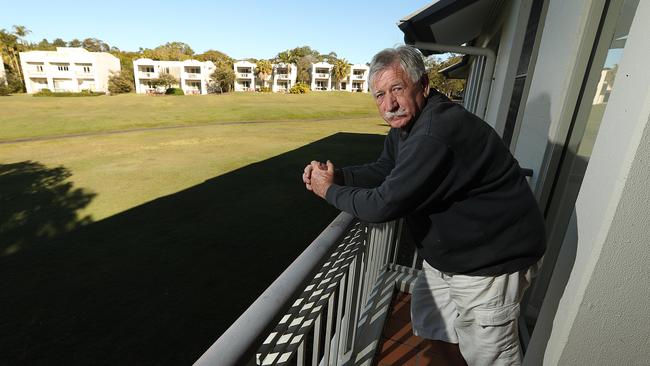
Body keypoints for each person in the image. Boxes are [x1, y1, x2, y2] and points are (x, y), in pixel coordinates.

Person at [302, 45, 546, 366]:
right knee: (434, 324)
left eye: (398, 89)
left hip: (492, 262)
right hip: (451, 256)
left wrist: (328, 190)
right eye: (379, 95)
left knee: (490, 355)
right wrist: (341, 176)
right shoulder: (406, 127)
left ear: (424, 86)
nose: (389, 104)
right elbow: (386, 169)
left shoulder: (435, 132)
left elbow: (383, 205)